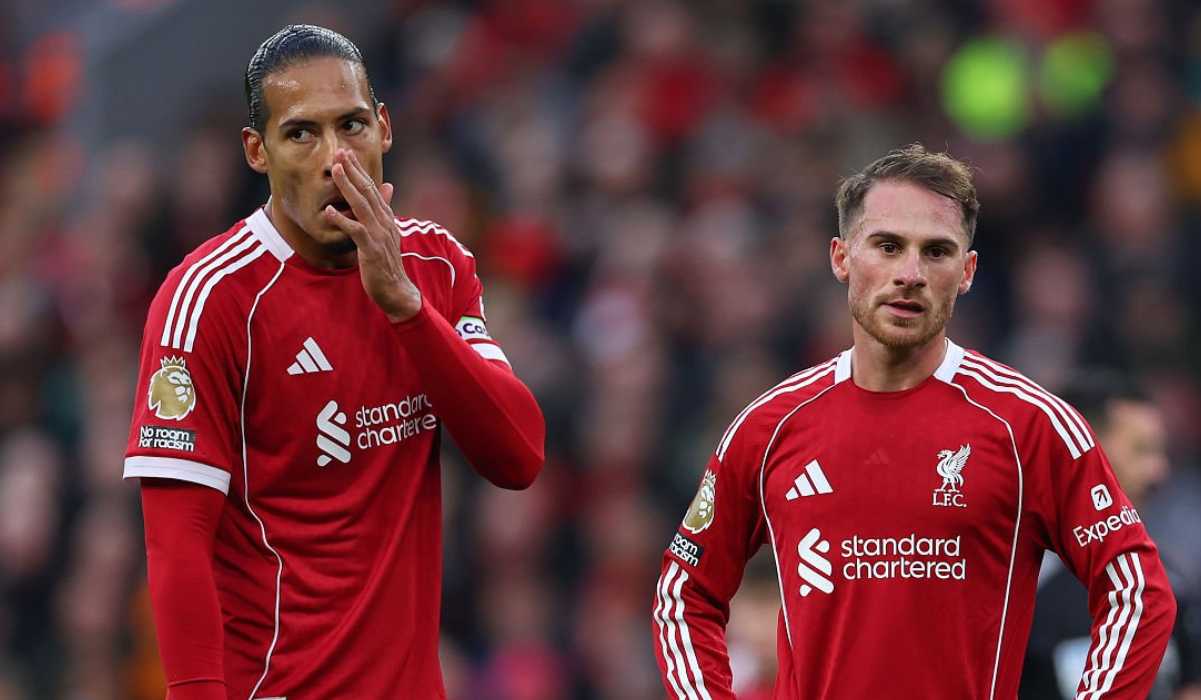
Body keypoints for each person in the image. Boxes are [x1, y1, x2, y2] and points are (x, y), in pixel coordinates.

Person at [651, 144, 1176, 699]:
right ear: (841, 257)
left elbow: (1136, 588)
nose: (910, 273)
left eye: (937, 252)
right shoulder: (770, 426)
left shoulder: (1026, 425)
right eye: (888, 246)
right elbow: (683, 594)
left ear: (967, 271)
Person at [122, 25, 545, 699]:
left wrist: (406, 309)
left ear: (383, 128)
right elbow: (177, 547)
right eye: (301, 134)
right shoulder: (207, 299)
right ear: (256, 152)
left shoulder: (434, 266)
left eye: (350, 126)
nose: (334, 158)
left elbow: (517, 455)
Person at [1021, 373, 1201, 699]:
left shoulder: (1166, 581)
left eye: (1161, 452)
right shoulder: (1012, 584)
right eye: (1141, 451)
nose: (1158, 472)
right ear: (1080, 455)